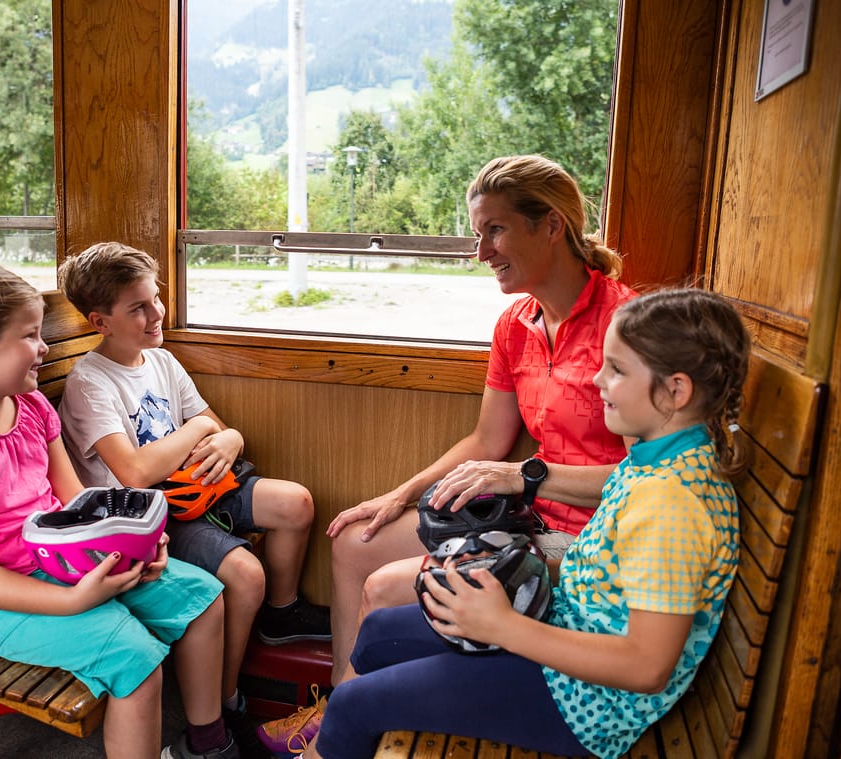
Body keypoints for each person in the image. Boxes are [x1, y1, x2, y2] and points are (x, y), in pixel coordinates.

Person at [298, 286, 749, 759]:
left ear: (676, 390)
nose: (597, 380)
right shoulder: (652, 461)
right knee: (377, 634)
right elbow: (609, 574)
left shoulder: (672, 505)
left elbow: (646, 667)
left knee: (353, 705)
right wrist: (507, 566)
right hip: (566, 634)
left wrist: (503, 627)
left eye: (616, 370)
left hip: (584, 705)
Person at [0, 263, 237, 759]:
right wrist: (74, 602)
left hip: (63, 562)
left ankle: (208, 744)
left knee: (204, 598)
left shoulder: (30, 408)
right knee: (136, 658)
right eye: (30, 336)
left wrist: (137, 544)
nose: (44, 347)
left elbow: (81, 506)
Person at [57, 242, 331, 756]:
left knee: (295, 503)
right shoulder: (90, 384)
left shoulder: (160, 360)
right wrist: (201, 428)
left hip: (200, 484)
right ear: (101, 321)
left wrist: (230, 438)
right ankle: (226, 703)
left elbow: (216, 429)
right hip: (153, 514)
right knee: (245, 573)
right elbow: (135, 471)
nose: (156, 312)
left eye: (155, 298)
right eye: (137, 307)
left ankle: (281, 616)